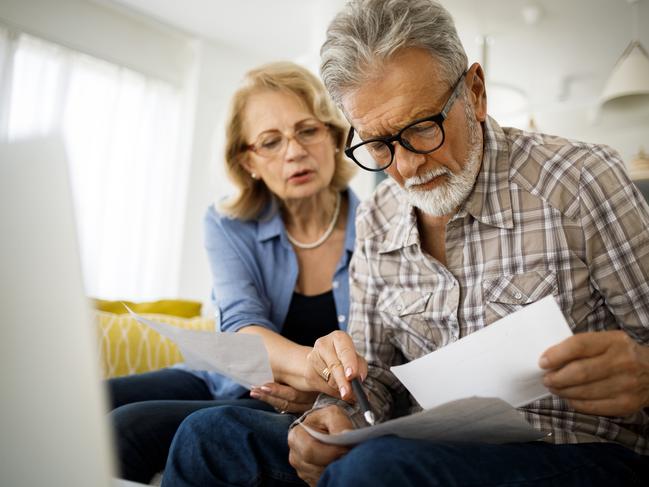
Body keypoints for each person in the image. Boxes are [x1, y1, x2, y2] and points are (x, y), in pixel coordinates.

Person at [162, 1, 649, 486]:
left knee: (377, 469)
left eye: (421, 128)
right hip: (423, 450)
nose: (407, 166)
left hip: (575, 452)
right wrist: (333, 416)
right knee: (210, 434)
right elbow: (372, 378)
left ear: (475, 93)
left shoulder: (582, 180)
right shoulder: (377, 219)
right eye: (378, 144)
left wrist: (643, 369)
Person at [106, 61, 359, 483]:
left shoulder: (377, 227)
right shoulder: (227, 223)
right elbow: (242, 324)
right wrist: (314, 369)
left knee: (124, 429)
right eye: (271, 142)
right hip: (222, 379)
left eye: (308, 130)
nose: (294, 151)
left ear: (333, 136)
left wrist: (316, 387)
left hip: (285, 400)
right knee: (89, 404)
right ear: (249, 161)